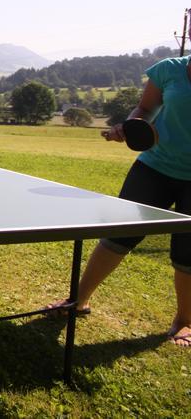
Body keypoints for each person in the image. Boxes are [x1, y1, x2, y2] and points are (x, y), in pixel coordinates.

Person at [47, 55, 191, 348]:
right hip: (154, 167)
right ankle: (79, 300)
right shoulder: (168, 70)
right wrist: (131, 125)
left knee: (189, 254)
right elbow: (146, 108)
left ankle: (184, 321)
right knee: (117, 236)